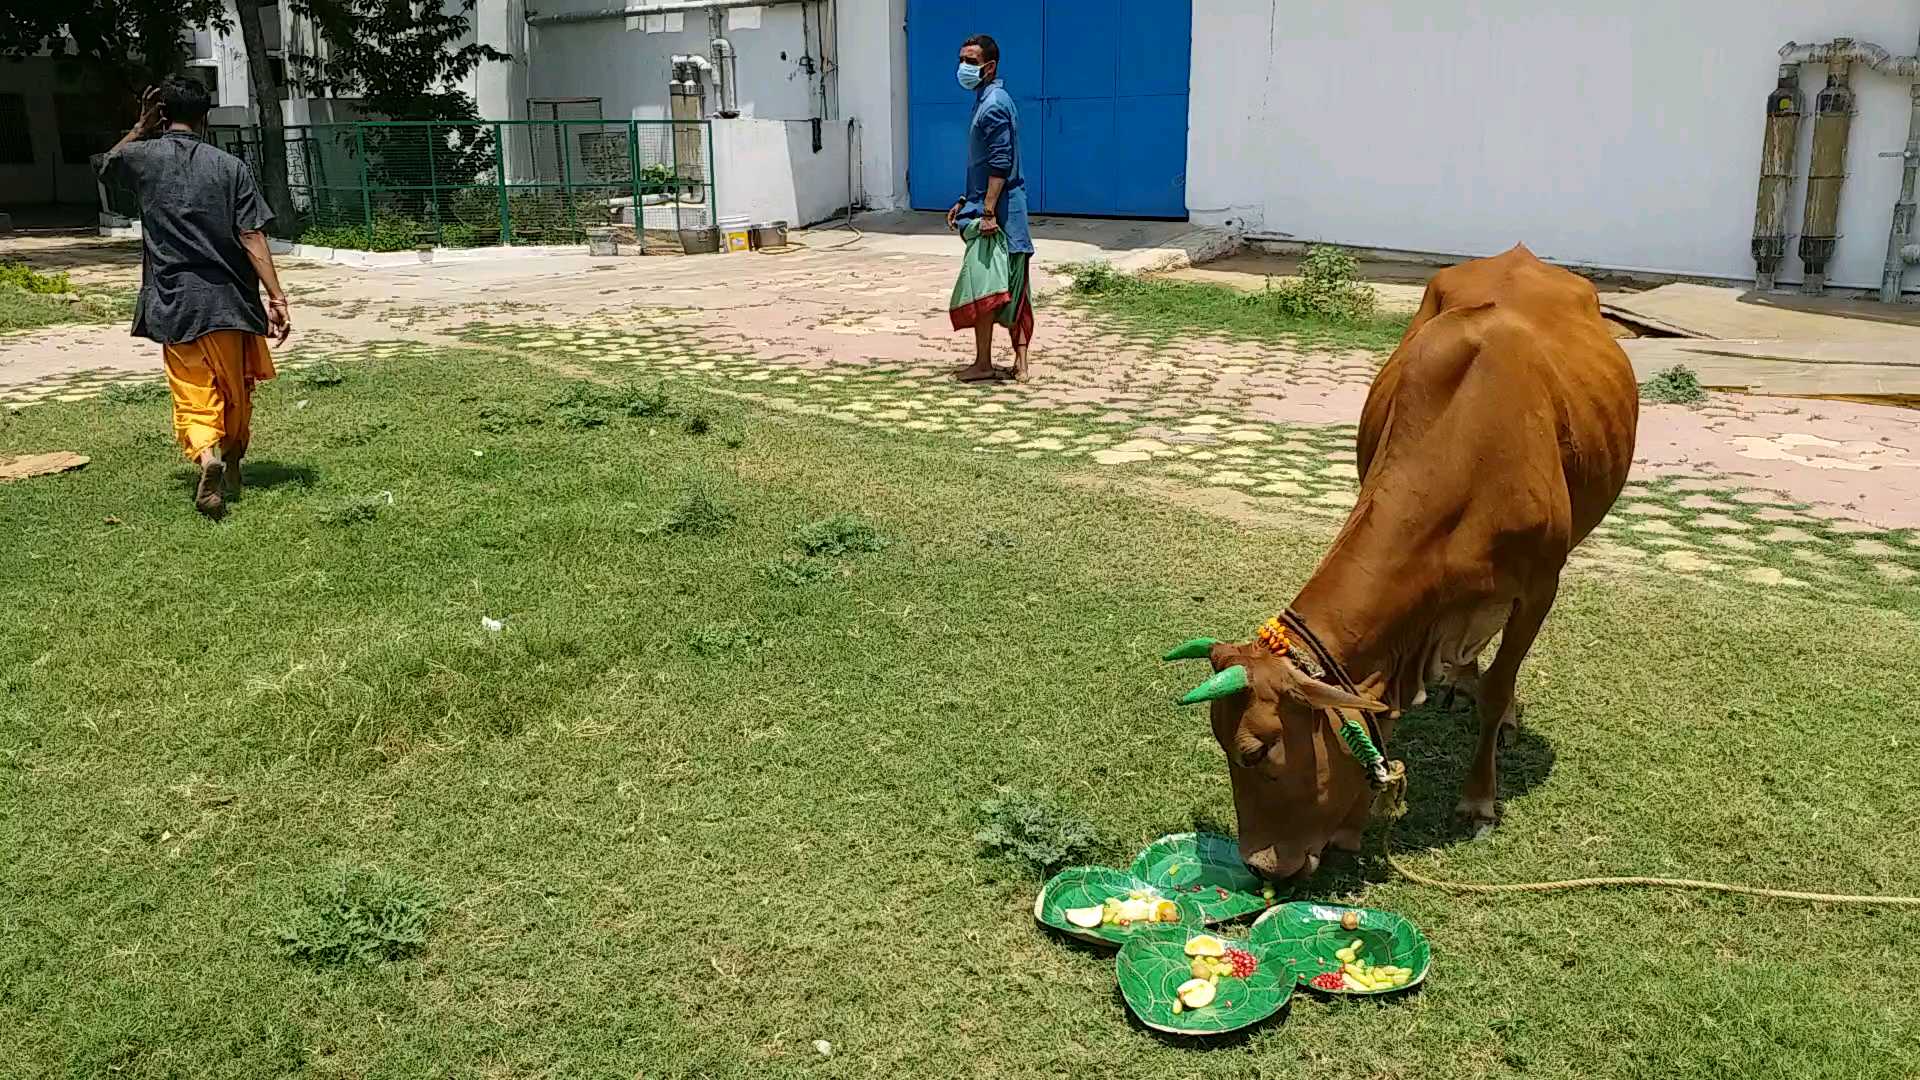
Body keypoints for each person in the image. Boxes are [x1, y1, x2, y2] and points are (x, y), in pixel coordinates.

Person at [98, 75, 292, 519]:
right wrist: (277, 298)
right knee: (236, 388)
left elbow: (108, 167)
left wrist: (139, 129)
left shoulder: (142, 159)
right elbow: (252, 235)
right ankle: (234, 460)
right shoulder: (230, 168)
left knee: (192, 389)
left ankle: (209, 457)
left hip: (174, 302)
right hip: (230, 302)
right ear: (205, 117)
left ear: (162, 114)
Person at [946, 33, 1034, 383]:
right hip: (994, 210)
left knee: (989, 289)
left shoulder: (994, 104)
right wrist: (964, 200)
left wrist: (986, 213)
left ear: (989, 65)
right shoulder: (987, 99)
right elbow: (984, 165)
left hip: (999, 218)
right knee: (1011, 288)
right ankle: (1019, 365)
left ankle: (985, 363)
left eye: (970, 61)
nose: (963, 67)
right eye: (962, 59)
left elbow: (1001, 163)